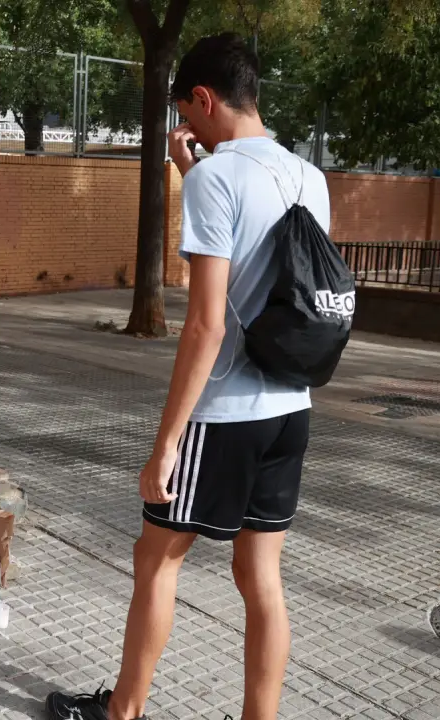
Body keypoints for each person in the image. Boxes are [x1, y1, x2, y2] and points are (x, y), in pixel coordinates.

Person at [45, 33, 330, 720]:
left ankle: (122, 711)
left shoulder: (215, 179)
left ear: (203, 99)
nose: (187, 127)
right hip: (291, 405)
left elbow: (205, 325)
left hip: (226, 410)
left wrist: (166, 443)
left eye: (185, 112)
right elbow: (277, 271)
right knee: (260, 577)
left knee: (157, 559)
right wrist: (189, 169)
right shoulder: (309, 176)